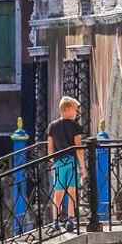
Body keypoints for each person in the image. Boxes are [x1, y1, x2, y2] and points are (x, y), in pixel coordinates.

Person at [47, 96, 84, 226]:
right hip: (71, 162)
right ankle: (70, 219)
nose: (77, 113)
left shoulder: (52, 126)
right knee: (72, 191)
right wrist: (83, 168)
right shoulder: (75, 126)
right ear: (67, 109)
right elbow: (79, 148)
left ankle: (55, 221)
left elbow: (50, 148)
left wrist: (52, 163)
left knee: (58, 192)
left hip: (58, 162)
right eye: (75, 110)